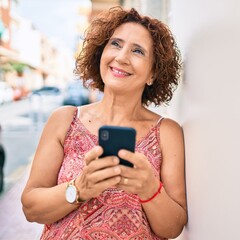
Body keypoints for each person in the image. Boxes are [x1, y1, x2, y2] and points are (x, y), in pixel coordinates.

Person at [21, 6, 187, 240]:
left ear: (152, 74)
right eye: (116, 44)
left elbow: (173, 228)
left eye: (137, 51)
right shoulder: (64, 119)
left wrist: (150, 189)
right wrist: (80, 188)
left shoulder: (167, 132)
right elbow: (31, 208)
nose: (121, 57)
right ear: (101, 53)